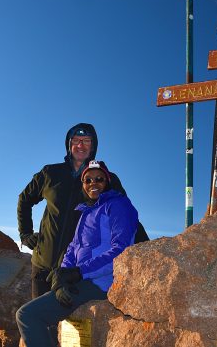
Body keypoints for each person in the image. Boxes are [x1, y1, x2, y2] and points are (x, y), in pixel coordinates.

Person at [16, 160, 138, 346]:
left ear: (108, 182)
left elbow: (120, 252)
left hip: (101, 282)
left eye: (99, 179)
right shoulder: (86, 212)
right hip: (81, 280)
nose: (93, 183)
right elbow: (73, 248)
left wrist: (79, 272)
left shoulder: (118, 205)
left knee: (28, 315)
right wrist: (62, 277)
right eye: (87, 180)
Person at [17, 123, 128, 299]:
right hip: (43, 266)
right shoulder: (50, 173)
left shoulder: (105, 179)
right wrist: (25, 233)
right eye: (75, 140)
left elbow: (124, 216)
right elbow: (24, 199)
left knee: (75, 325)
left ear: (94, 146)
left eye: (86, 140)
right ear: (69, 145)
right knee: (40, 319)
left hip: (78, 270)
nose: (80, 145)